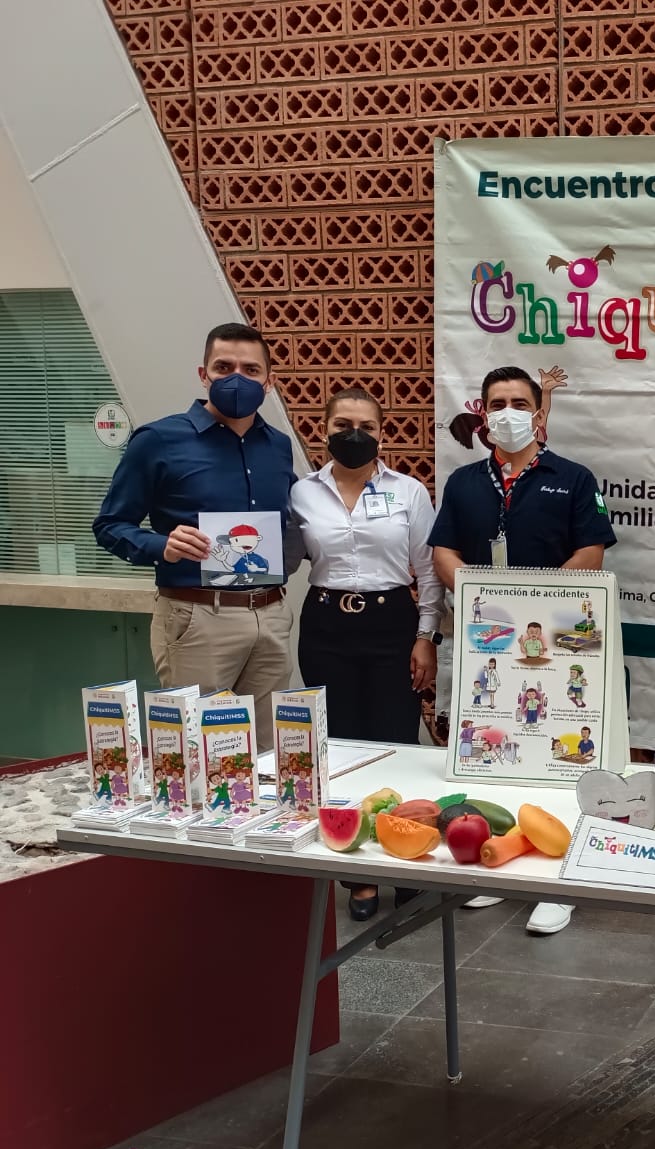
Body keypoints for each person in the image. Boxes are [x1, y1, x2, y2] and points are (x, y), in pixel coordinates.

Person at [430, 364, 616, 934]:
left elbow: (591, 552)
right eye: (496, 403)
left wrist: (532, 602)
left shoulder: (573, 478)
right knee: (498, 753)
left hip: (561, 646)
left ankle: (561, 880)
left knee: (559, 757)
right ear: (482, 414)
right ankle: (505, 862)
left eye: (518, 402)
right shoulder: (464, 482)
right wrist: (481, 599)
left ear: (537, 413)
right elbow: (443, 552)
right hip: (487, 644)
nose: (506, 412)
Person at [94, 323, 299, 733]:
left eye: (251, 370)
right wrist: (160, 546)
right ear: (204, 375)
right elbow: (110, 525)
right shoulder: (158, 440)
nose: (237, 378)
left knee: (267, 750)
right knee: (201, 748)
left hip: (271, 613)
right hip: (198, 617)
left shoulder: (278, 445)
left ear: (269, 381)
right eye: (224, 367)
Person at [289, 386, 443, 922]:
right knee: (340, 746)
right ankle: (358, 875)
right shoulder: (302, 493)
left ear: (382, 432)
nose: (355, 435)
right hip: (325, 626)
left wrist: (426, 636)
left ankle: (406, 858)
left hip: (391, 624)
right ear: (324, 429)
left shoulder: (408, 491)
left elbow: (428, 570)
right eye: (343, 425)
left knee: (396, 742)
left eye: (367, 427)